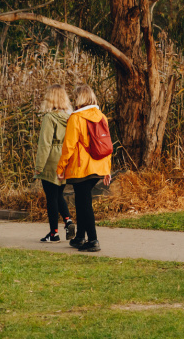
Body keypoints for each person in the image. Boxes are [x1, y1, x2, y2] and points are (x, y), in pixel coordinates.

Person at [57, 85, 111, 252]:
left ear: (79, 98)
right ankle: (80, 237)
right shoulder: (102, 117)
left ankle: (93, 240)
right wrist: (107, 168)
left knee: (85, 203)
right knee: (81, 201)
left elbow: (69, 146)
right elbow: (108, 144)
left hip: (82, 168)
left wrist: (61, 167)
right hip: (99, 165)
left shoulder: (76, 118)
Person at [34, 84, 76, 243]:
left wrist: (39, 166)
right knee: (59, 194)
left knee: (51, 196)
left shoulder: (49, 117)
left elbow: (45, 144)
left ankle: (54, 234)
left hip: (51, 158)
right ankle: (68, 221)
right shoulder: (71, 117)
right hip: (65, 157)